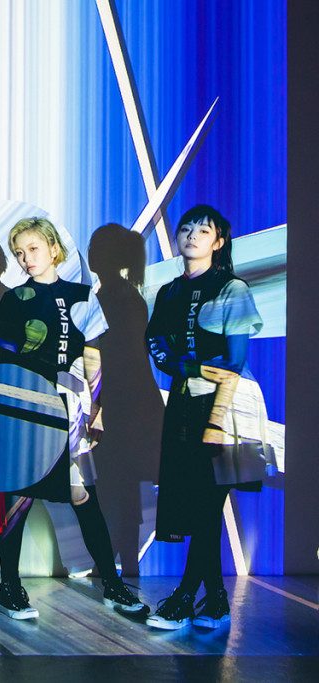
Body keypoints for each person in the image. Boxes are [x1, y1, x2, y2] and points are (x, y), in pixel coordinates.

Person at [0, 217, 145, 619]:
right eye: (19, 252)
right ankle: (9, 588)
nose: (26, 258)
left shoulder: (82, 295)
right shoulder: (13, 299)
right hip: (26, 409)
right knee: (18, 499)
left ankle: (112, 584)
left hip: (70, 408)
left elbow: (93, 355)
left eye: (33, 248)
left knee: (83, 496)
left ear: (54, 249)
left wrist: (98, 409)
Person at [144, 205, 272, 630]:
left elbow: (234, 361)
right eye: (186, 228)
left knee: (207, 500)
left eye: (203, 230)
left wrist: (196, 379)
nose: (191, 235)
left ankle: (184, 597)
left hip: (228, 405)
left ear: (218, 242)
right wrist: (182, 366)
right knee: (198, 502)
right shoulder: (168, 292)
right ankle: (216, 601)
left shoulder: (232, 288)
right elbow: (156, 344)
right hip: (184, 402)